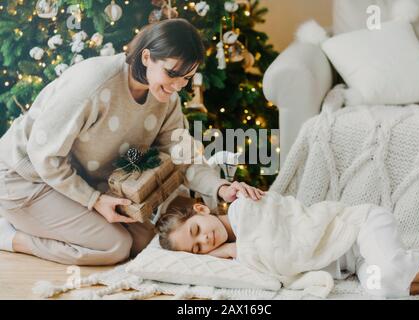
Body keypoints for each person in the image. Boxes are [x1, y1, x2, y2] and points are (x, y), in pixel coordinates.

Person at [0, 18, 260, 266]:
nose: (178, 86)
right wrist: (94, 200)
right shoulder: (92, 83)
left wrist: (221, 187)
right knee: (115, 246)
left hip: (75, 180)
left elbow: (183, 157)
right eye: (172, 73)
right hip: (25, 177)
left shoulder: (166, 98)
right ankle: (11, 236)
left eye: (187, 78)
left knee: (145, 242)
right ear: (146, 57)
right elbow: (44, 156)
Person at [156, 190, 419, 298]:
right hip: (353, 262)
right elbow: (279, 279)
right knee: (381, 287)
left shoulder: (243, 208)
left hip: (358, 228)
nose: (205, 239)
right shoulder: (240, 257)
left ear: (201, 210)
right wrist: (234, 253)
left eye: (196, 230)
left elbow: (288, 249)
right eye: (197, 247)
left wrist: (235, 250)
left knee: (391, 270)